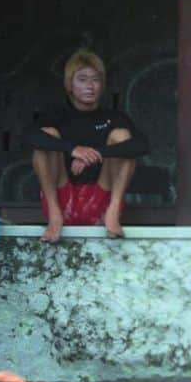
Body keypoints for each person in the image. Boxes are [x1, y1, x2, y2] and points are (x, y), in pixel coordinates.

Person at [23, 50, 149, 242]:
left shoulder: (113, 117)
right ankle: (55, 217)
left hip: (102, 198)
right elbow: (28, 136)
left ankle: (113, 214)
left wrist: (96, 153)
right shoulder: (58, 115)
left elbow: (141, 145)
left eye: (95, 80)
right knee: (47, 135)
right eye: (82, 79)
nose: (90, 86)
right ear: (70, 85)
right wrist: (72, 149)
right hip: (62, 197)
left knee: (122, 136)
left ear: (102, 85)